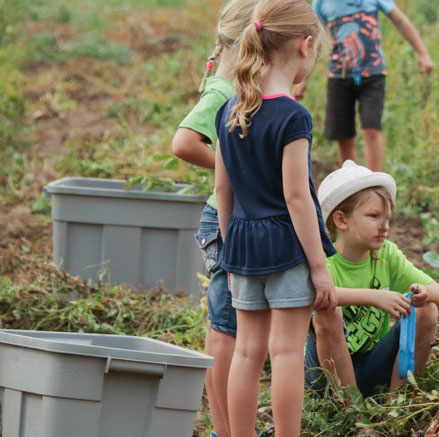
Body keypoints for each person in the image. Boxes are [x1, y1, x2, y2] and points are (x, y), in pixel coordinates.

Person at [213, 1, 337, 435]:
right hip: (286, 245)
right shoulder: (292, 115)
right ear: (305, 46)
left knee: (247, 352)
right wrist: (319, 267)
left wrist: (230, 254)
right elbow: (297, 197)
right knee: (285, 353)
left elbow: (223, 191)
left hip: (243, 245)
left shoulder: (228, 110)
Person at [170, 1, 259, 435]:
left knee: (223, 329)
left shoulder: (228, 86)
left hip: (228, 218)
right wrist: (236, 167)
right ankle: (225, 429)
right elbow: (184, 142)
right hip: (222, 222)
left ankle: (224, 426)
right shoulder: (222, 91)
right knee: (226, 331)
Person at [304, 160, 439, 397]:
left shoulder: (385, 254)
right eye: (373, 216)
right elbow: (313, 295)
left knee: (428, 309)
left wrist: (425, 293)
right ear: (341, 220)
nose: (385, 226)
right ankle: (351, 409)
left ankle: (397, 403)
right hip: (324, 377)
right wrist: (374, 297)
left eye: (387, 218)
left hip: (372, 365)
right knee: (327, 312)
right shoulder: (322, 259)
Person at [311, 0, 433, 171]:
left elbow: (400, 20)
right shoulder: (321, 2)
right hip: (339, 78)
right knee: (344, 137)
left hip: (373, 75)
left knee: (371, 130)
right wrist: (302, 80)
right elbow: (313, 40)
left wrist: (422, 53)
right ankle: (351, 182)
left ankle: (374, 183)